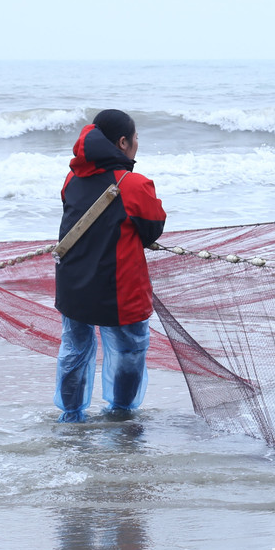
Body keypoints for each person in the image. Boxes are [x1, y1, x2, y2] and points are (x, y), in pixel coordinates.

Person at [54, 110, 167, 423]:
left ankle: (71, 418)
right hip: (120, 289)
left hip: (74, 285)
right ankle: (121, 417)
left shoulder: (71, 179)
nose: (137, 143)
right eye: (135, 138)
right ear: (122, 142)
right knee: (128, 353)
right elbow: (153, 229)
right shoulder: (134, 185)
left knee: (75, 351)